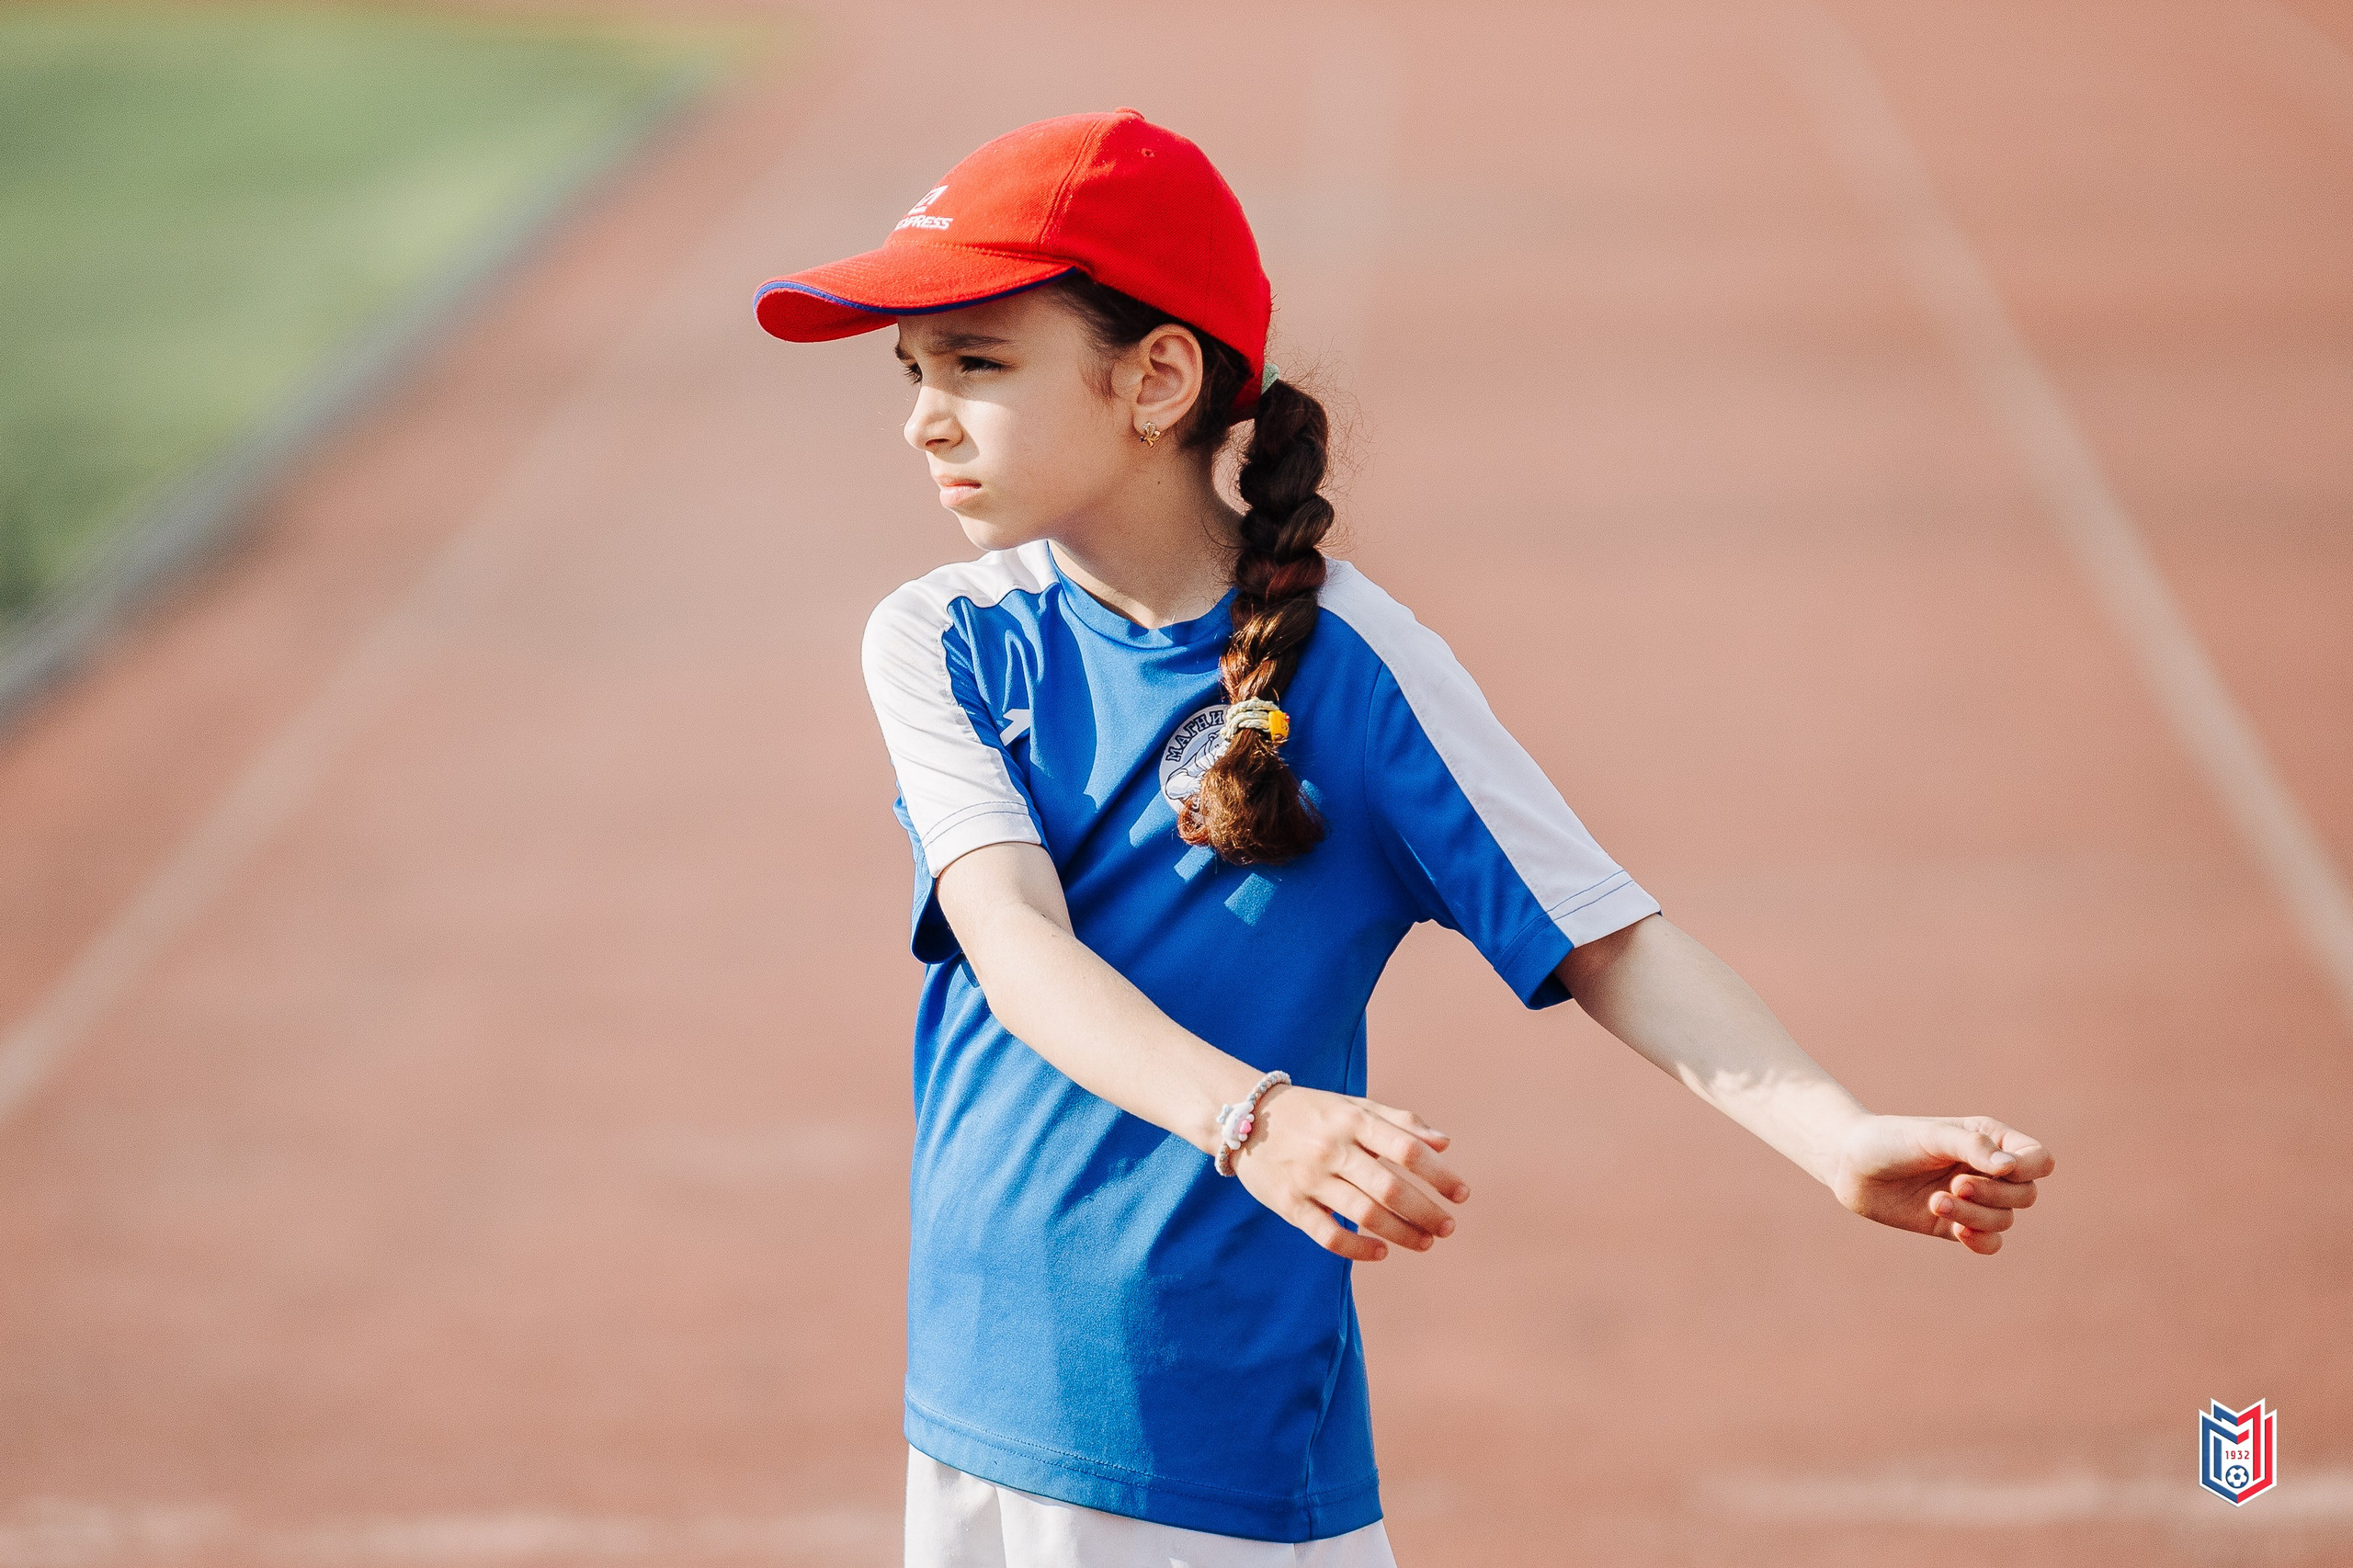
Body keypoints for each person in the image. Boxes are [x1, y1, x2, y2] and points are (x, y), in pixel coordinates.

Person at [754, 108, 2056, 1568]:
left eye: (978, 363)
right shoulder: (943, 635)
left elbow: (1602, 931)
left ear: (1157, 377)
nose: (923, 415)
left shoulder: (1361, 670)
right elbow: (1011, 942)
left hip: (1212, 1447)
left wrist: (1834, 1135)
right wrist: (1255, 1117)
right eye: (912, 371)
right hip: (976, 1401)